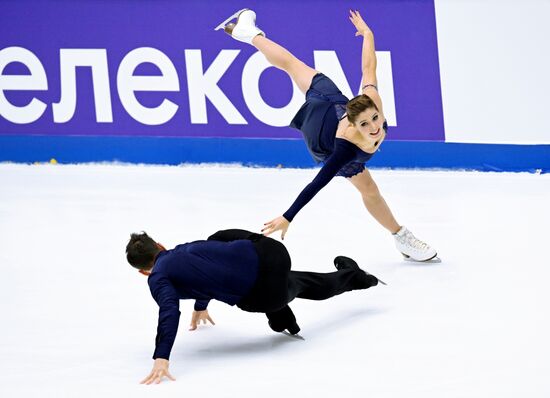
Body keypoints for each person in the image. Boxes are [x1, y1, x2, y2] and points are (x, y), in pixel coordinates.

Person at [215, 9, 437, 261]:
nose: (375, 127)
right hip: (322, 136)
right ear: (353, 124)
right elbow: (317, 183)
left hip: (332, 101)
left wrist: (367, 34)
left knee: (293, 65)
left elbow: (368, 68)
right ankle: (401, 236)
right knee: (369, 187)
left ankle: (248, 32)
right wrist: (288, 216)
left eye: (375, 118)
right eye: (365, 124)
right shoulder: (344, 150)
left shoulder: (372, 101)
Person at [126, 229, 382, 384]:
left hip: (265, 294)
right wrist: (201, 305)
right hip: (272, 253)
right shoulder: (185, 250)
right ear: (160, 246)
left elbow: (169, 311)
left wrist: (162, 356)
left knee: (288, 290)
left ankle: (286, 317)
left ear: (143, 273)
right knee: (219, 240)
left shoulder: (158, 278)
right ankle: (352, 276)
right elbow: (206, 274)